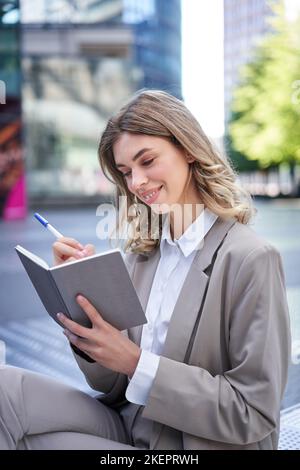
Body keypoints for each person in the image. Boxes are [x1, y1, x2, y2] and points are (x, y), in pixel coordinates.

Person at [0, 90, 291, 450]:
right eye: (125, 172)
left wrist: (137, 363)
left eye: (147, 161)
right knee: (4, 391)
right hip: (128, 424)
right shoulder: (141, 257)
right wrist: (86, 315)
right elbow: (109, 384)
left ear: (187, 149)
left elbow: (253, 413)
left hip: (189, 445)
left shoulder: (250, 259)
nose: (136, 182)